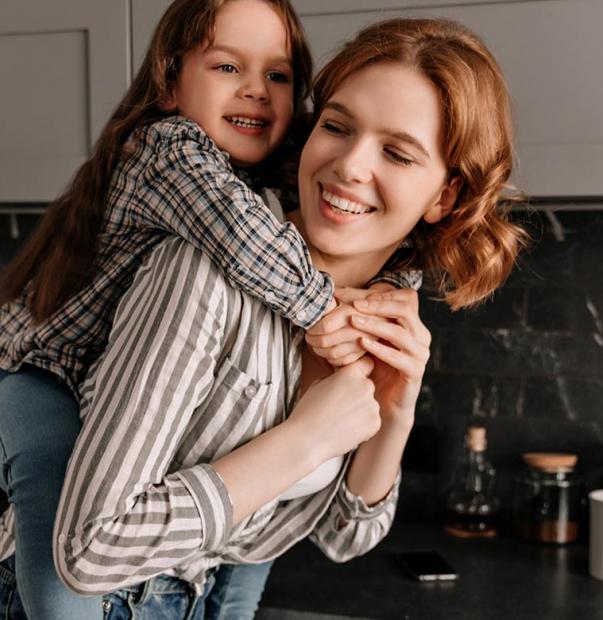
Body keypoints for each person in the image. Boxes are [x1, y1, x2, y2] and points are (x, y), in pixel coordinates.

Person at [50, 16, 528, 618]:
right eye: (337, 126)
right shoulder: (202, 271)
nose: (351, 165)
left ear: (445, 196)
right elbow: (89, 550)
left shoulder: (383, 307)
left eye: (397, 153)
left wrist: (397, 408)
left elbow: (344, 537)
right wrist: (305, 441)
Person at [0, 1, 415, 617]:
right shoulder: (169, 152)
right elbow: (239, 234)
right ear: (169, 84)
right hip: (39, 369)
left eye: (278, 76)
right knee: (49, 489)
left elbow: (338, 535)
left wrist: (392, 317)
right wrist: (332, 310)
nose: (256, 91)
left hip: (186, 571)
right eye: (227, 66)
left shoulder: (269, 189)